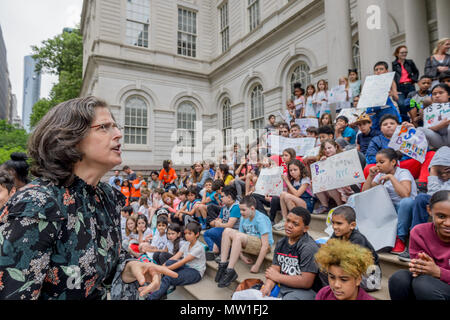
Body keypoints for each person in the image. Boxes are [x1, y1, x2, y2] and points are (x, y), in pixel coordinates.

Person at [0, 96, 176, 300]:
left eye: (116, 127)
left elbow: (106, 264)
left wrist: (129, 267)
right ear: (70, 138)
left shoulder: (107, 195)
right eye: (104, 127)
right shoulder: (35, 204)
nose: (119, 134)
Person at [388, 190, 450, 300]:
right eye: (441, 216)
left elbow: (429, 274)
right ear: (429, 210)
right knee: (399, 278)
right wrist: (420, 267)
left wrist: (438, 272)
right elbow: (420, 268)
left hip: (436, 285)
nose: (447, 223)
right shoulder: (419, 233)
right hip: (428, 284)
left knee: (424, 284)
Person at [260, 207, 324, 300]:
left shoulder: (308, 247)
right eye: (288, 221)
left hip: (306, 291)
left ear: (305, 229)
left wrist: (278, 277)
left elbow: (306, 282)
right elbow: (274, 270)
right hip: (284, 286)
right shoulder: (281, 243)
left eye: (295, 224)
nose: (289, 225)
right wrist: (268, 286)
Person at [363, 148, 418, 254]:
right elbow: (365, 193)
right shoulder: (379, 175)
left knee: (406, 202)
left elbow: (405, 195)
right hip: (389, 209)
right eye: (377, 162)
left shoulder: (403, 173)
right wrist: (370, 176)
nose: (378, 165)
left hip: (404, 209)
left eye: (382, 162)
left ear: (393, 162)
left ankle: (400, 238)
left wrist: (391, 178)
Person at [215, 196, 274, 288]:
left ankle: (230, 270)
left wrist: (257, 265)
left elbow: (266, 245)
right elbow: (238, 239)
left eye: (243, 210)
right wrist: (242, 256)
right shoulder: (244, 217)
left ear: (252, 208)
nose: (241, 212)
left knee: (237, 235)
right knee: (227, 231)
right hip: (249, 243)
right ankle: (223, 265)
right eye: (240, 210)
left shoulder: (261, 219)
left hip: (262, 245)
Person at [147, 221, 206, 300]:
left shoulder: (198, 247)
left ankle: (151, 298)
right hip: (185, 267)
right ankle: (161, 293)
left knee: (169, 277)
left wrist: (164, 270)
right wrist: (162, 267)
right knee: (169, 262)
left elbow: (182, 262)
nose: (187, 236)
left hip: (195, 272)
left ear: (197, 234)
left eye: (190, 233)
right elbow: (175, 257)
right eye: (185, 233)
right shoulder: (186, 244)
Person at [329, 206, 381, 291]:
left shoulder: (358, 239)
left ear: (352, 225)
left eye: (339, 223)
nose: (334, 226)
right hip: (352, 273)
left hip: (370, 280)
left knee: (341, 273)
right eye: (333, 223)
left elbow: (351, 264)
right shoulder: (337, 234)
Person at [313, 140, 354, 214]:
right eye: (325, 149)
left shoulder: (344, 157)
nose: (327, 150)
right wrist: (322, 163)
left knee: (330, 184)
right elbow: (321, 174)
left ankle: (340, 206)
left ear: (335, 147)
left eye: (329, 148)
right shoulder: (323, 159)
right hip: (330, 185)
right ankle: (324, 205)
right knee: (316, 182)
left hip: (344, 185)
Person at [204, 186, 241, 261]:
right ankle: (216, 251)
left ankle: (227, 251)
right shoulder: (225, 206)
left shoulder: (236, 207)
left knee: (212, 232)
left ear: (229, 197)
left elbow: (230, 225)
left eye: (222, 196)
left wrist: (218, 223)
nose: (221, 198)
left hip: (233, 231)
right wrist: (218, 223)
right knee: (207, 234)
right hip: (224, 229)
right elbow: (220, 220)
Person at [274, 160, 312, 231]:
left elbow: (297, 194)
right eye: (291, 170)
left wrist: (287, 181)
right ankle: (285, 219)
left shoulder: (305, 180)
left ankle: (287, 219)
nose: (293, 172)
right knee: (286, 197)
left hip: (307, 203)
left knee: (284, 194)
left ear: (300, 169)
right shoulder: (293, 181)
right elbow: (288, 195)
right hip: (297, 206)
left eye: (295, 170)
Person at [366, 61, 401, 131]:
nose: (378, 71)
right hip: (374, 110)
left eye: (381, 69)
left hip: (387, 109)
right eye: (376, 69)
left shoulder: (391, 82)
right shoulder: (369, 83)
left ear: (386, 71)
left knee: (390, 130)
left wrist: (392, 93)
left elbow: (396, 98)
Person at [392, 45, 420, 122]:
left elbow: (416, 72)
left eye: (405, 52)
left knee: (412, 104)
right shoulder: (393, 65)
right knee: (401, 104)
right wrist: (393, 89)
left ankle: (416, 121)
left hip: (410, 86)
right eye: (402, 52)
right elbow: (392, 77)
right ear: (397, 54)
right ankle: (405, 121)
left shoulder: (410, 62)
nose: (404, 54)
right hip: (399, 87)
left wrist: (413, 80)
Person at [418, 83, 450, 149]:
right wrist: (440, 126)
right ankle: (424, 154)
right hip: (438, 139)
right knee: (420, 129)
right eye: (434, 94)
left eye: (441, 93)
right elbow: (427, 128)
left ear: (448, 95)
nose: (437, 96)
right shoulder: (427, 110)